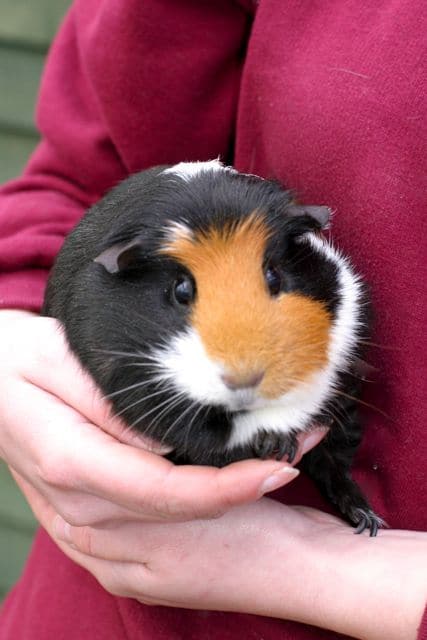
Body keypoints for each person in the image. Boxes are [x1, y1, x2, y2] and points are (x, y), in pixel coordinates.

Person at [0, 1, 426, 639]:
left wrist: (335, 576)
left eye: (271, 282)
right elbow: (80, 172)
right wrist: (13, 340)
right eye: (184, 291)